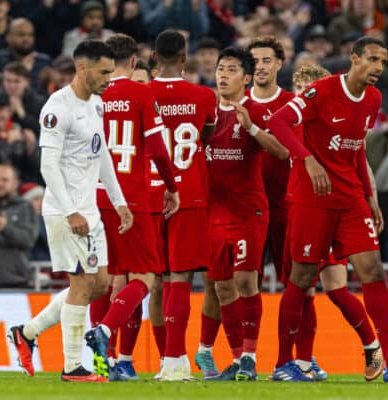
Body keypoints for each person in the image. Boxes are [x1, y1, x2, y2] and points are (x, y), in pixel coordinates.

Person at [268, 36, 388, 381]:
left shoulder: (373, 99)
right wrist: (307, 159)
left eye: (382, 62)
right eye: (372, 59)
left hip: (350, 197)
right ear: (354, 59)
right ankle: (283, 363)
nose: (378, 68)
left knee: (372, 270)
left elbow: (354, 149)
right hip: (311, 199)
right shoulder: (321, 91)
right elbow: (277, 122)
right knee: (304, 278)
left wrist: (370, 196)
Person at [8, 40, 133, 382]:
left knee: (100, 285)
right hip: (66, 212)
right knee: (82, 285)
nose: (110, 78)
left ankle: (27, 333)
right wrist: (69, 212)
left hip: (90, 210)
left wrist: (119, 200)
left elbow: (102, 154)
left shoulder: (97, 104)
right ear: (83, 68)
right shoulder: (57, 107)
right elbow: (48, 167)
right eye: (104, 72)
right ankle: (73, 367)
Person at [87, 33, 179, 381]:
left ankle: (105, 361)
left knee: (107, 279)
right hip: (131, 199)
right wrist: (171, 187)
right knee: (145, 275)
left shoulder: (93, 94)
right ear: (135, 62)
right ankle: (105, 332)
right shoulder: (142, 93)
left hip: (94, 197)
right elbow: (157, 149)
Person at [206, 46, 288, 381]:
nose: (223, 75)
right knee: (222, 288)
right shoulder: (206, 113)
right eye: (220, 68)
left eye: (231, 69)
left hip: (249, 211)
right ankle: (239, 360)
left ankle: (252, 356)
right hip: (213, 212)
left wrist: (252, 128)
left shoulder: (255, 111)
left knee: (245, 281)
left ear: (247, 78)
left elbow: (283, 152)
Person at [148, 29, 217, 381]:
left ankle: (164, 359)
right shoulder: (205, 96)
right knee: (181, 278)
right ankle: (176, 360)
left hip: (149, 193)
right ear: (185, 57)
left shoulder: (143, 94)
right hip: (189, 193)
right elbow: (208, 133)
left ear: (154, 57)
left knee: (152, 280)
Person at [0, 163, 39, 288]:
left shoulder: (26, 208)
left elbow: (28, 240)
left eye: (4, 180)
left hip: (16, 282)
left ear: (15, 183)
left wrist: (6, 228)